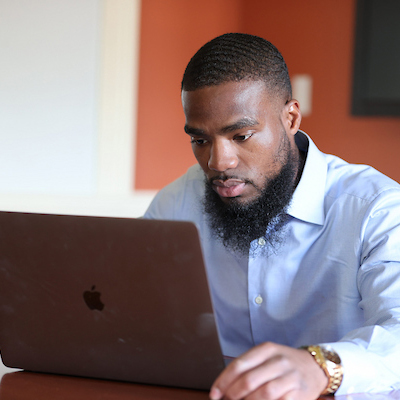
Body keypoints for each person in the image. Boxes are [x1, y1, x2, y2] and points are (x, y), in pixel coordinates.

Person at [143, 33, 400, 400]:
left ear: (291, 117)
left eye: (242, 135)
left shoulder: (377, 209)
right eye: (200, 140)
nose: (219, 162)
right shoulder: (178, 202)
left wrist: (319, 366)